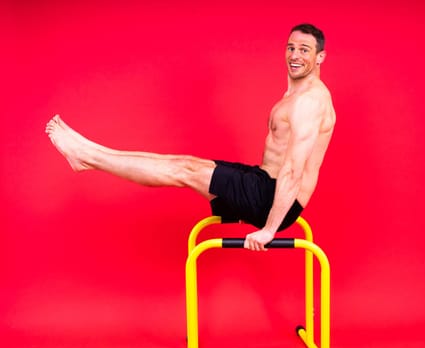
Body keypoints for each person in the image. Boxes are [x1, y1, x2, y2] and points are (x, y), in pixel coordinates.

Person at [45, 23, 336, 252]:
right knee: (184, 164)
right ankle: (89, 154)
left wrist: (269, 230)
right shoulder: (296, 95)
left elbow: (294, 168)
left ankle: (87, 157)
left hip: (273, 199)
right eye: (291, 48)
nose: (295, 55)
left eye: (305, 50)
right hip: (264, 184)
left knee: (184, 170)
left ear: (320, 56)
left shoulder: (309, 101)